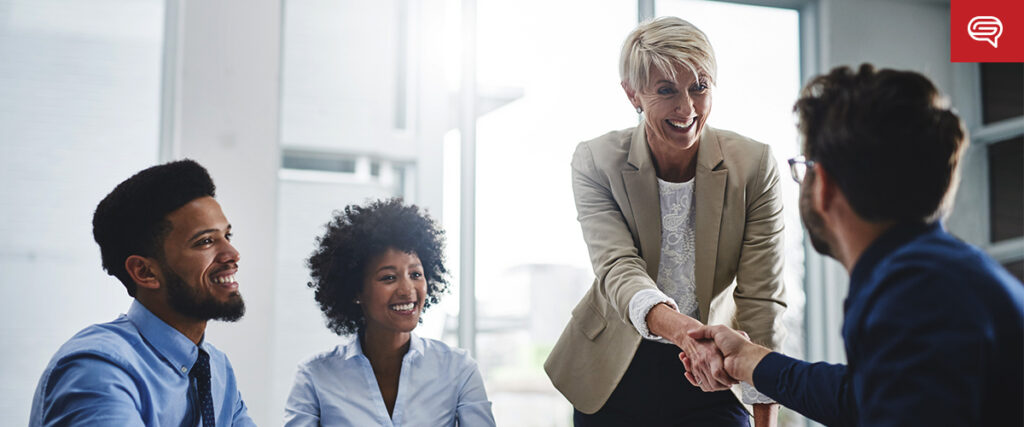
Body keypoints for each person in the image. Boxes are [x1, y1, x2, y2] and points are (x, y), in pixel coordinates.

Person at [685, 64, 1024, 426]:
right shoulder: (941, 273)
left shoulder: (913, 291)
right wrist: (751, 360)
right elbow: (864, 397)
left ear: (825, 185)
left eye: (805, 167)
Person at [544, 16, 787, 426]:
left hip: (712, 372)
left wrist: (765, 418)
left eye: (700, 87)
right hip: (612, 371)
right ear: (632, 94)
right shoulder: (596, 161)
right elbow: (618, 269)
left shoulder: (754, 165)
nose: (687, 108)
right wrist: (688, 336)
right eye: (666, 90)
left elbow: (762, 300)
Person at [29, 159, 255, 426]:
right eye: (205, 241)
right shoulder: (98, 369)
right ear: (145, 272)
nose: (232, 254)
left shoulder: (217, 370)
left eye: (227, 236)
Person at [284, 199, 496, 426]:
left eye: (415, 274)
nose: (407, 290)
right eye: (389, 278)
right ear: (356, 290)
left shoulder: (458, 370)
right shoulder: (315, 377)